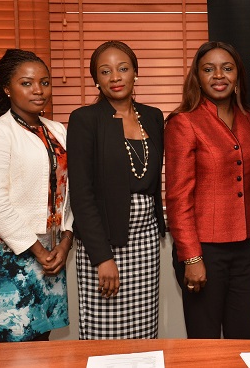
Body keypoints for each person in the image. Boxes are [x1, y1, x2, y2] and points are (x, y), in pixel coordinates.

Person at [0, 49, 73, 343]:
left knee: (41, 341)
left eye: (44, 82)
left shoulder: (58, 130)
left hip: (52, 250)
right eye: (27, 83)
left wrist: (66, 240)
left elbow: (69, 191)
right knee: (13, 345)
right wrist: (39, 251)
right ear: (7, 88)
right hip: (7, 252)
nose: (38, 90)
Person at [67, 41, 166, 339]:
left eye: (123, 68)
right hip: (105, 243)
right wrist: (102, 257)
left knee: (144, 333)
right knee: (103, 338)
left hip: (145, 241)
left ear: (136, 72)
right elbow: (81, 195)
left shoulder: (153, 116)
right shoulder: (85, 120)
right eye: (105, 71)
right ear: (95, 79)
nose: (115, 77)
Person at [165, 41, 250, 339]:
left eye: (227, 68)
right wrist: (191, 258)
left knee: (244, 338)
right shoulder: (184, 122)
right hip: (204, 250)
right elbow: (178, 197)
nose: (219, 76)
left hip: (247, 248)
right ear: (197, 77)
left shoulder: (249, 119)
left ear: (238, 75)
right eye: (209, 69)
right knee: (204, 343)